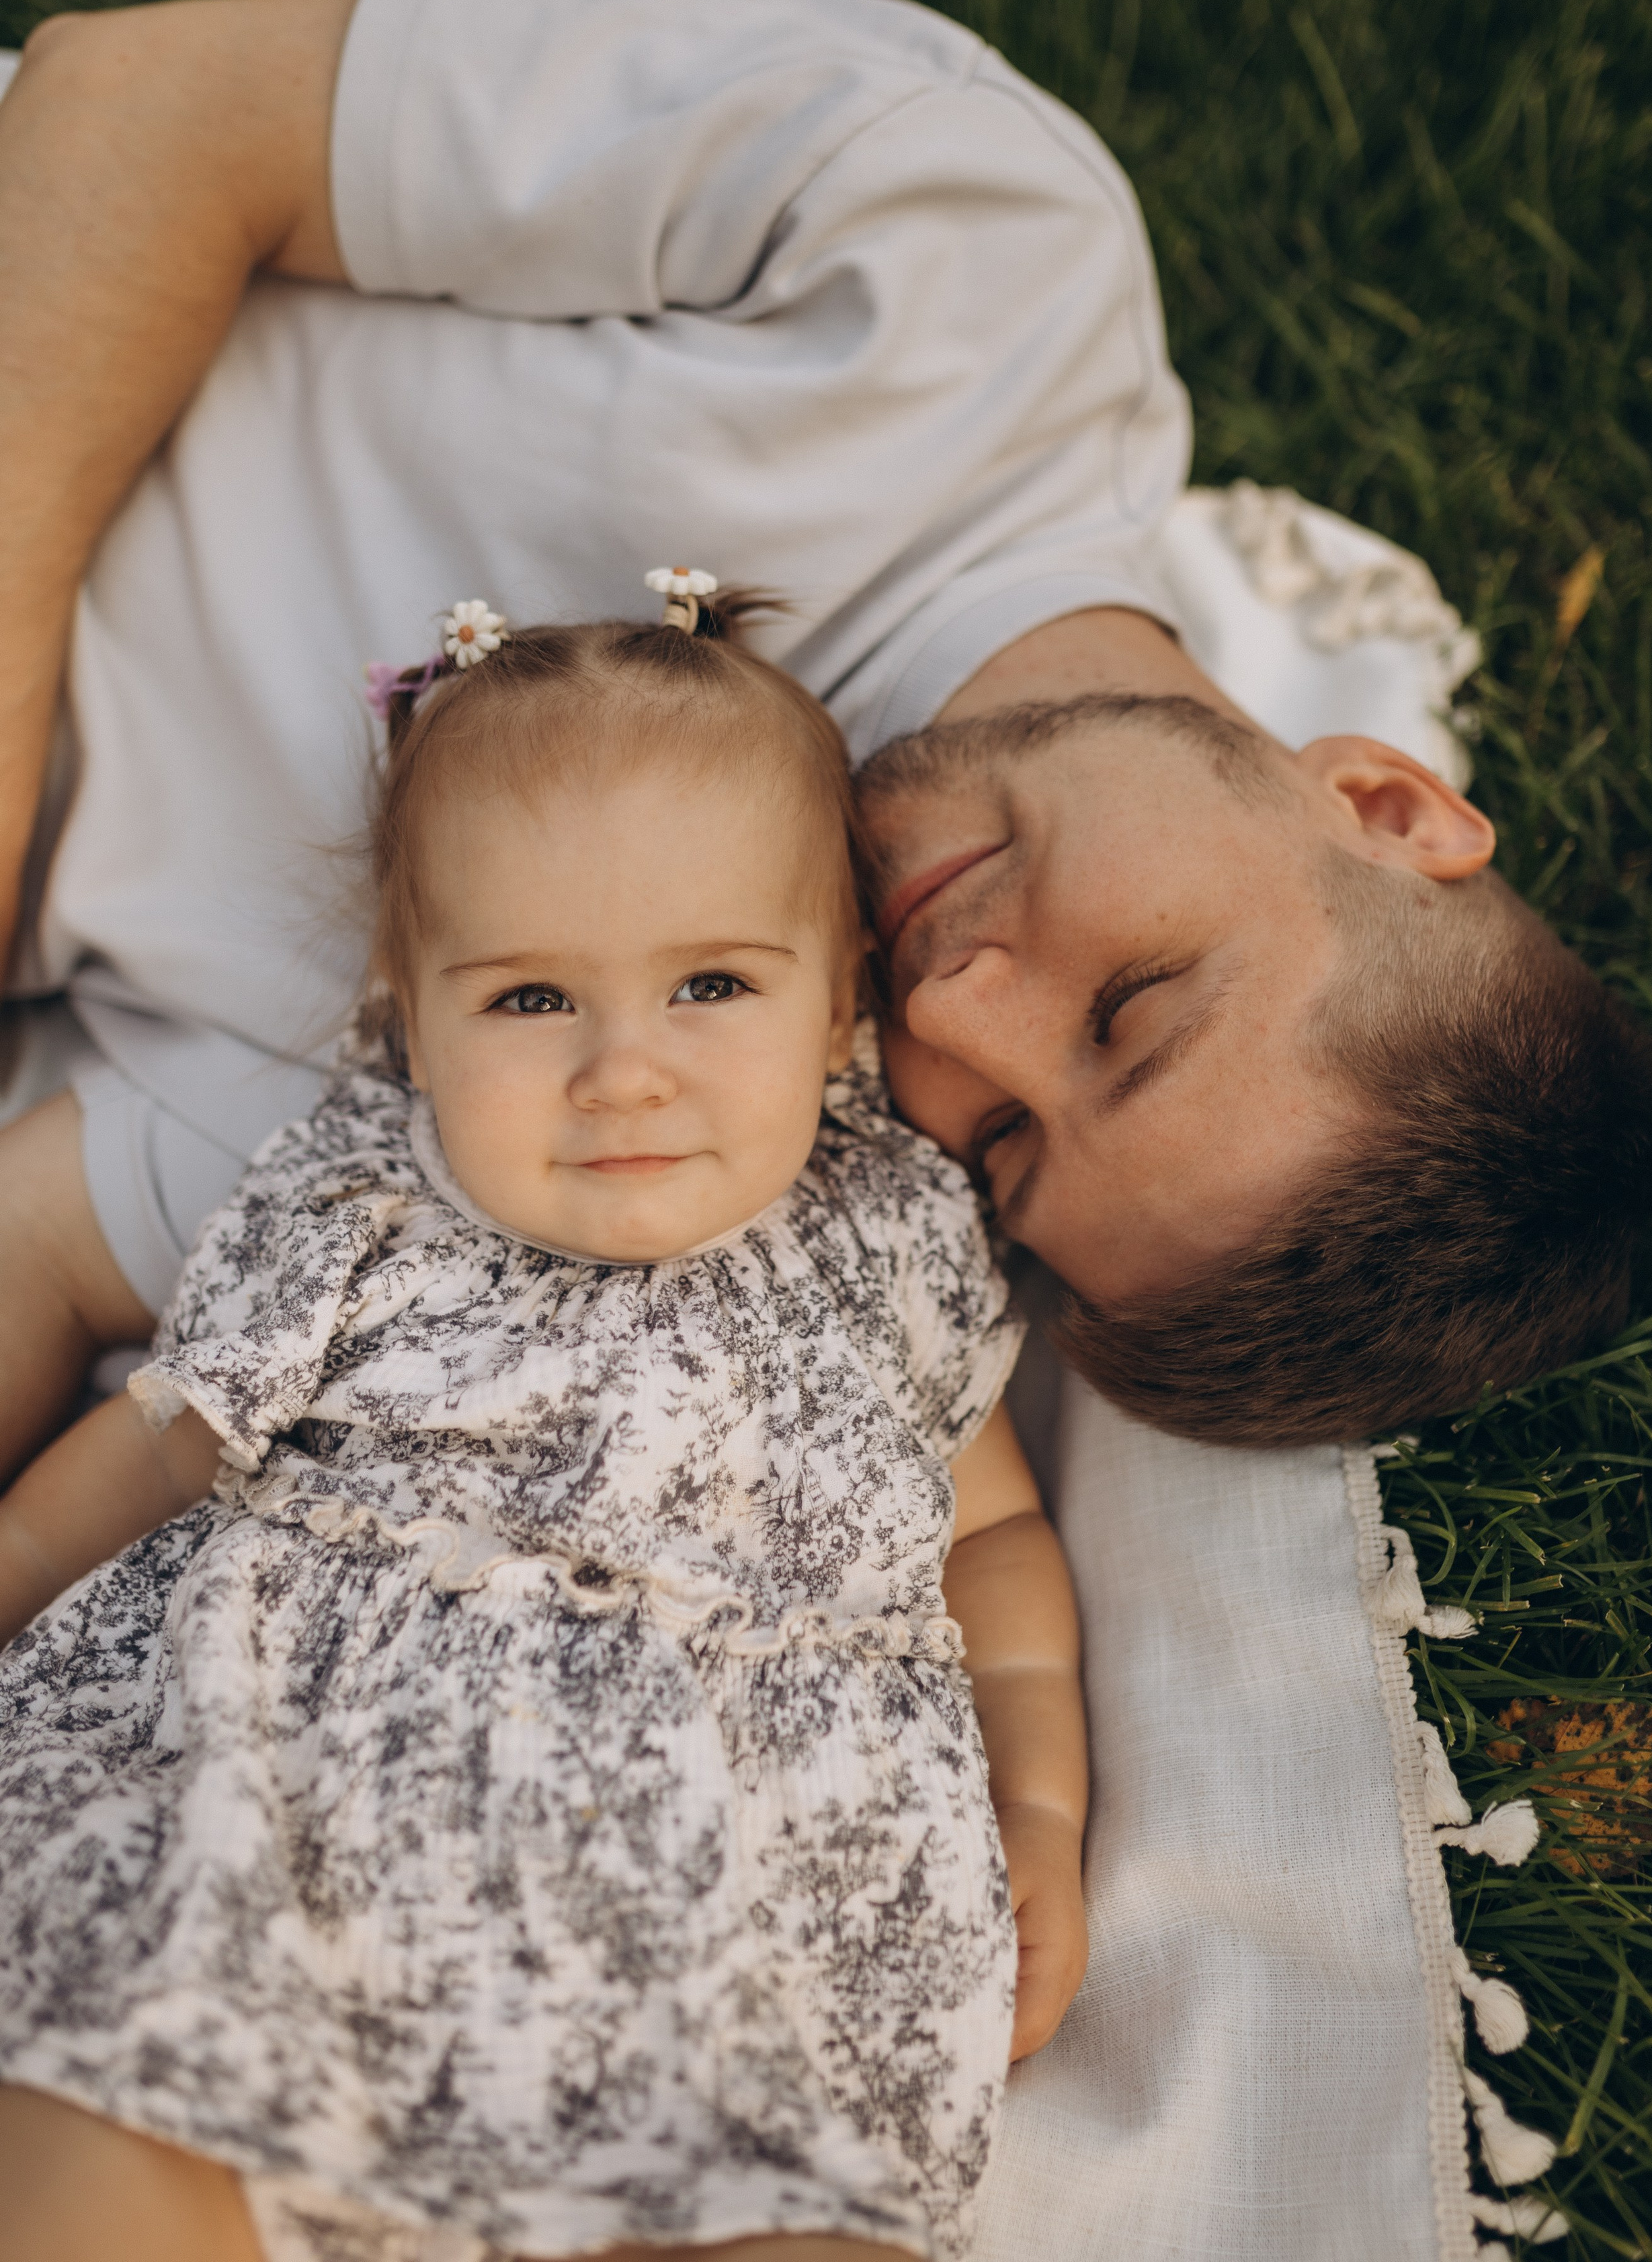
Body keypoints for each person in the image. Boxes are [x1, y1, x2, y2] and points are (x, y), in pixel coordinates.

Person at [0, 0, 1652, 1473]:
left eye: (1003, 1142)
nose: (950, 1021)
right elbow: (136, 108)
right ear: (1378, 802)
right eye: (1130, 1009)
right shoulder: (972, 261)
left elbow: (51, 1238)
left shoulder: (629, 1090)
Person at [0, 592, 1088, 2261]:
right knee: (95, 2135)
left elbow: (993, 1534)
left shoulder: (889, 1227)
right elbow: (166, 1436)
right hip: (297, 1816)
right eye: (528, 1002)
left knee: (776, 2206)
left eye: (713, 982)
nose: (623, 1072)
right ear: (408, 1008)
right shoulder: (355, 1194)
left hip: (734, 1888)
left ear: (841, 1001)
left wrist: (1041, 1807)